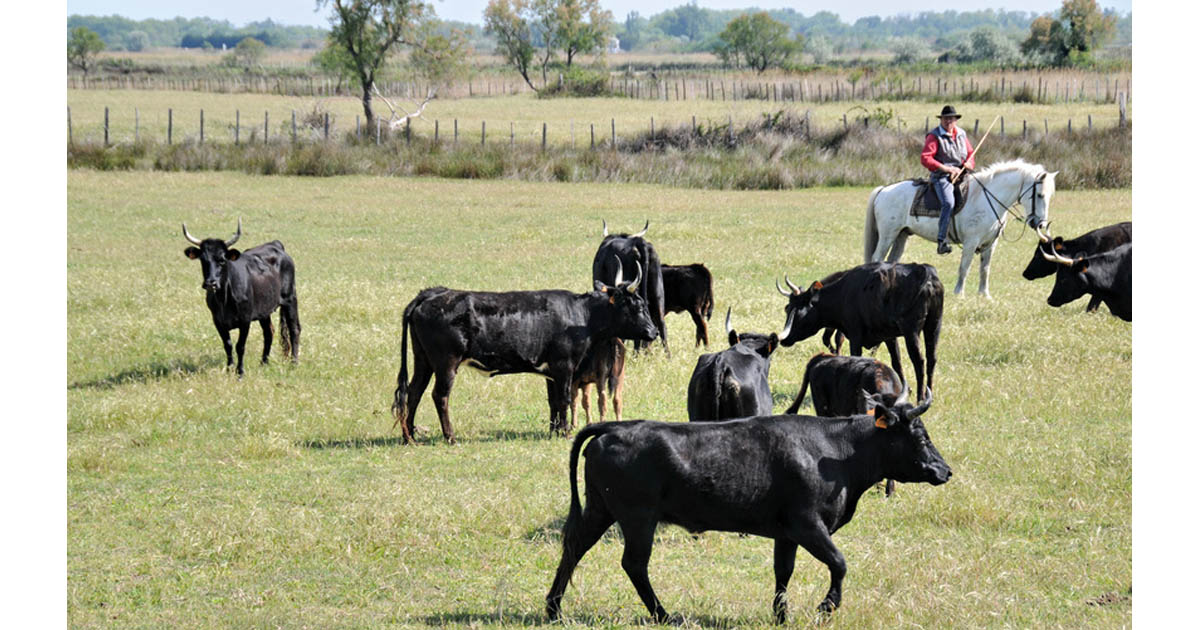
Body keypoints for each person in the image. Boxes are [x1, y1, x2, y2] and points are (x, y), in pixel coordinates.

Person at [921, 105, 975, 255]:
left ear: (956, 120)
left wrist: (969, 164)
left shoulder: (962, 134)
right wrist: (947, 169)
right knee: (948, 203)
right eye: (945, 118)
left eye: (951, 118)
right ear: (941, 119)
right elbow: (925, 158)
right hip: (942, 176)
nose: (948, 121)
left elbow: (970, 154)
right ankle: (942, 240)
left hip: (962, 174)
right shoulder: (934, 136)